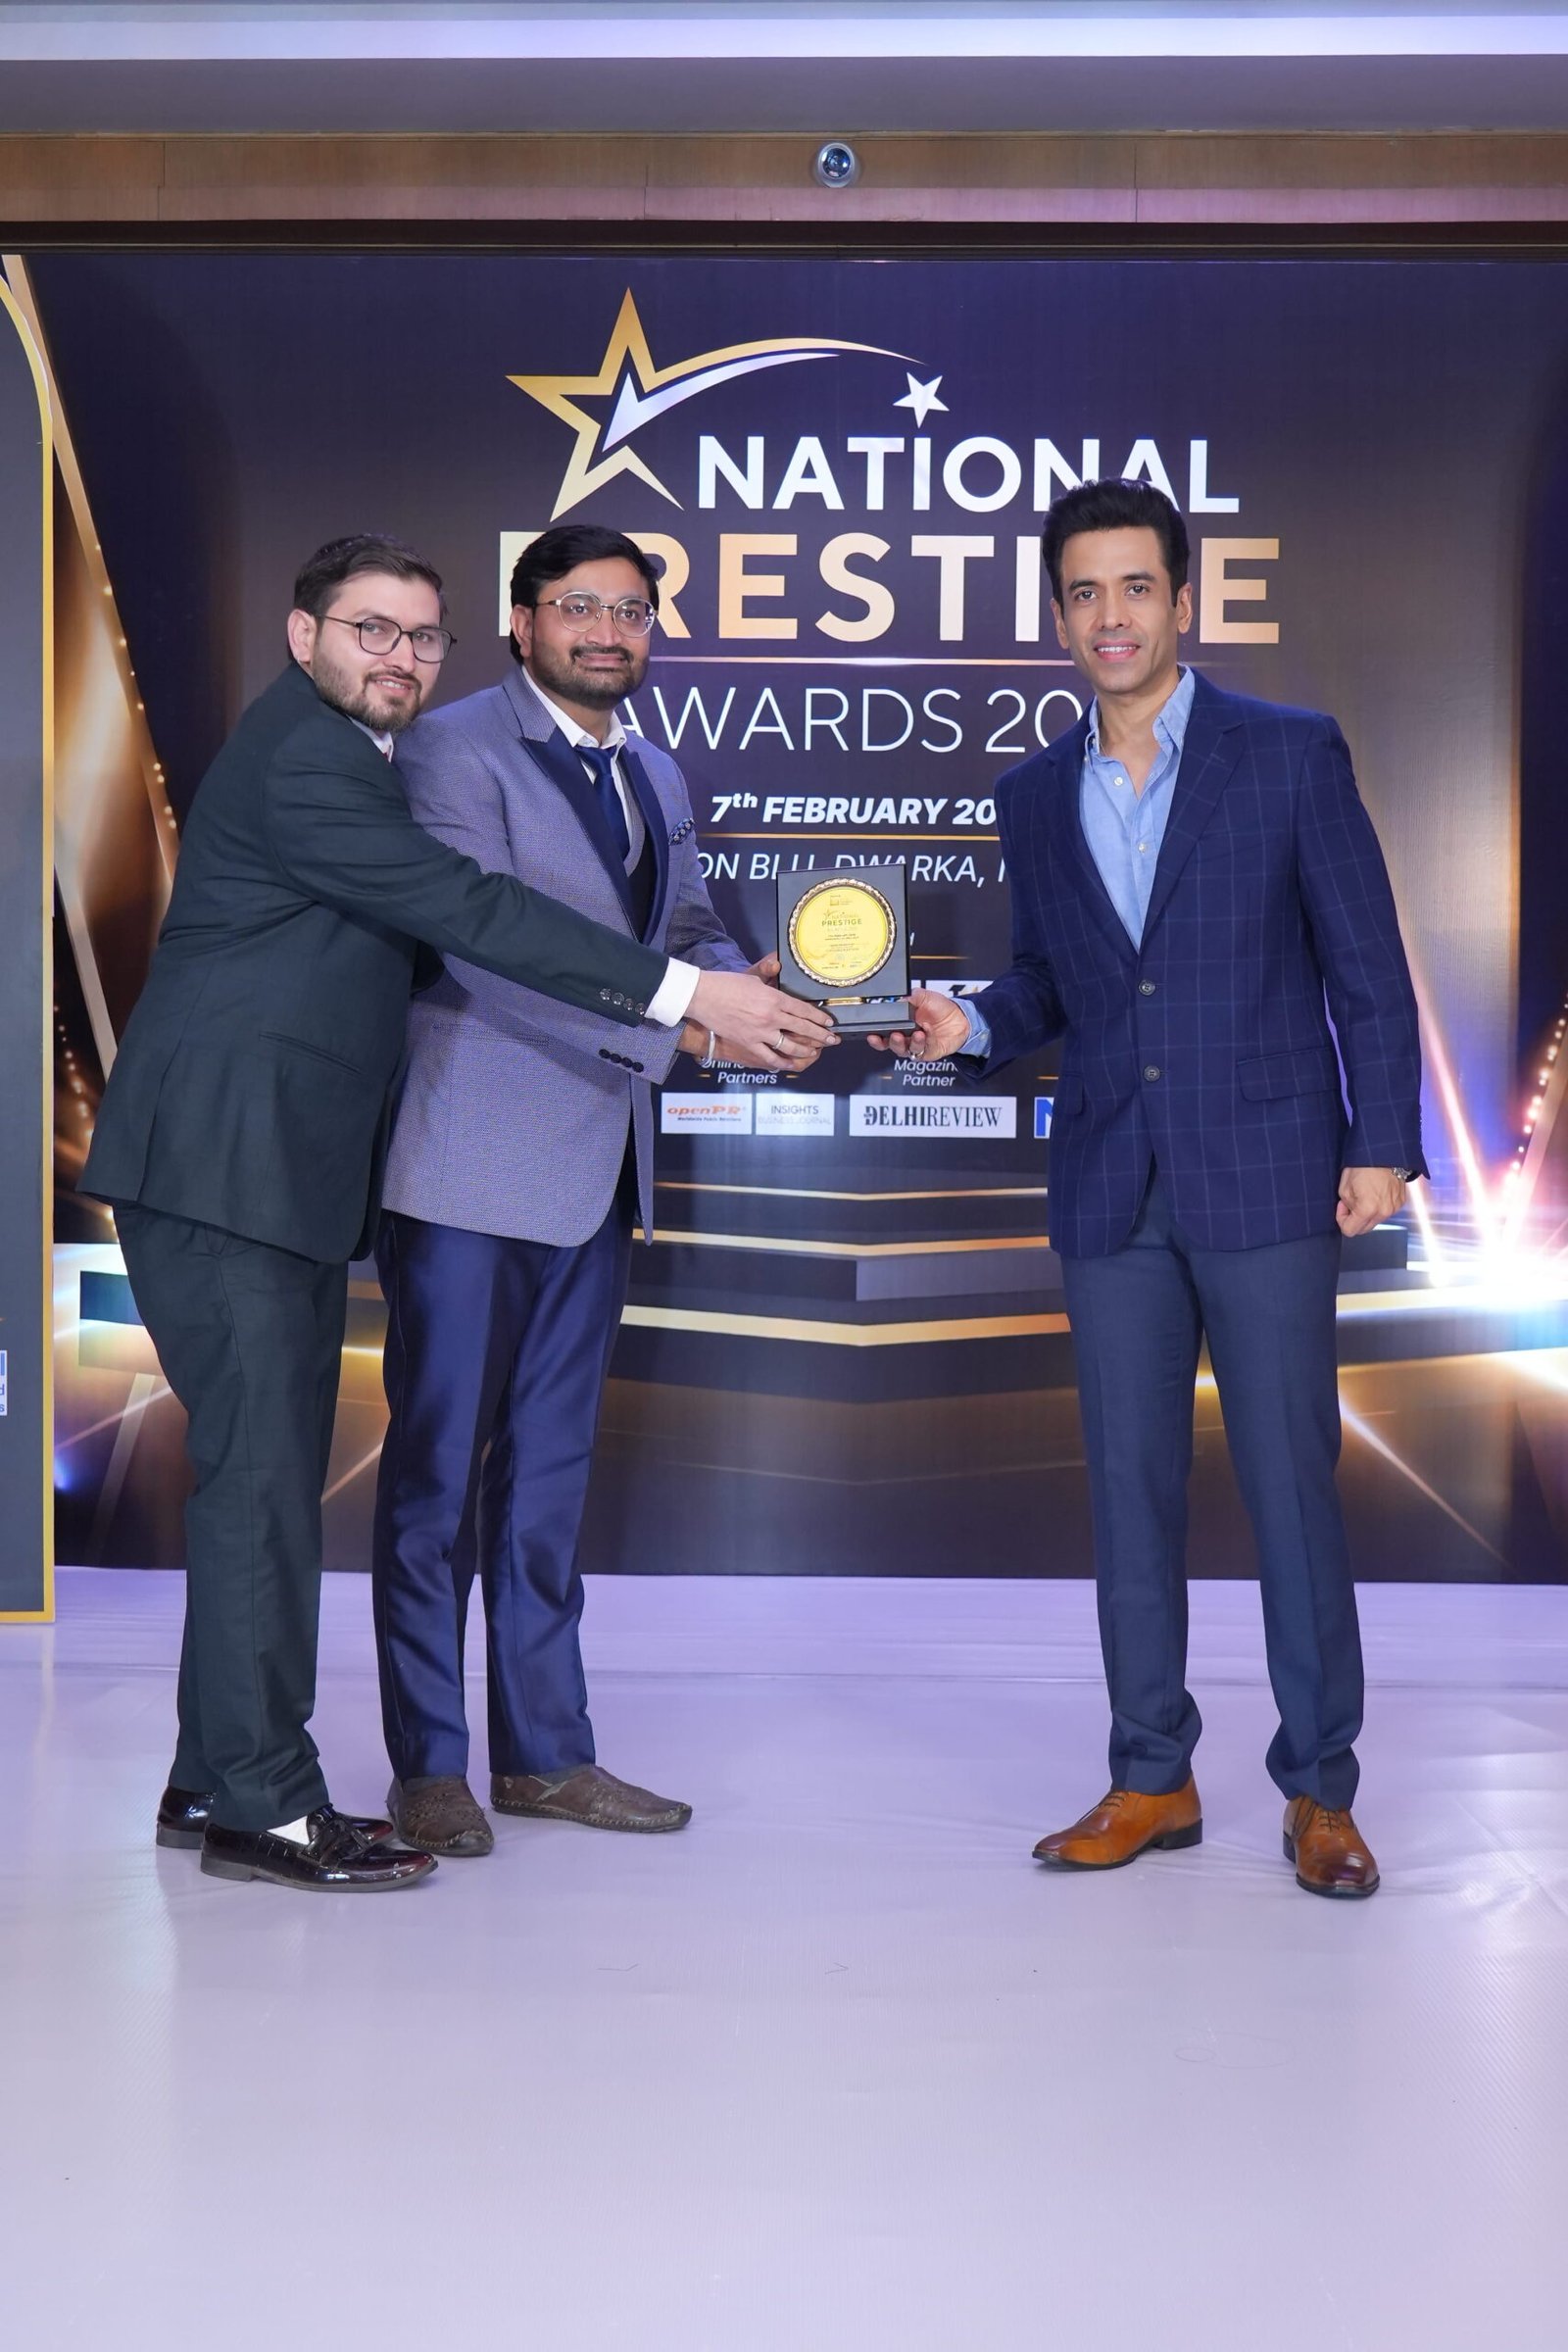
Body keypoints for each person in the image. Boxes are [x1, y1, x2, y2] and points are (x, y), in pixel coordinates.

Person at [82, 532, 830, 1893]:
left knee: (265, 1484)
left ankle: (216, 1777)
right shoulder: (329, 759)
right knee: (268, 1492)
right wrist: (687, 1007)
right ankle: (270, 1807)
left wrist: (734, 986)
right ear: (305, 635)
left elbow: (666, 924)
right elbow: (469, 914)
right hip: (237, 1162)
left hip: (288, 1169)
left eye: (419, 635)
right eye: (371, 629)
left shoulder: (399, 755)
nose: (401, 656)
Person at [872, 479, 1424, 1898]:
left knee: (1291, 1487)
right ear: (1058, 616)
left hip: (1273, 1172)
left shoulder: (1288, 751)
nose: (1109, 616)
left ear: (1183, 600)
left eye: (1135, 587)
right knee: (1129, 1493)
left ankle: (1321, 1791)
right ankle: (1150, 1774)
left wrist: (1382, 1141)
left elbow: (1366, 964)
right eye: (1083, 592)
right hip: (1112, 1182)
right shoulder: (1031, 792)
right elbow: (1053, 981)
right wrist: (967, 1022)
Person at [371, 524, 827, 1855]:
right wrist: (691, 1021)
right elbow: (482, 943)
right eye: (580, 607)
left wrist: (764, 996)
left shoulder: (655, 767)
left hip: (600, 1169)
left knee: (548, 1481)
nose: (608, 632)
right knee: (436, 1483)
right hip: (470, 1166)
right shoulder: (452, 751)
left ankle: (546, 1755)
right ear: (523, 622)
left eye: (632, 611)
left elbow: (681, 932)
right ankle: (430, 1767)